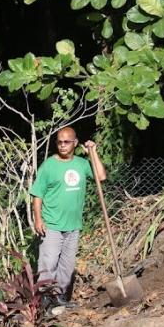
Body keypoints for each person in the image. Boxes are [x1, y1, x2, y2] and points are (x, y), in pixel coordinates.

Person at [30, 126, 106, 311]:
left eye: (66, 142)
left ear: (75, 143)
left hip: (73, 225)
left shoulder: (81, 163)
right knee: (48, 263)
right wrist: (38, 219)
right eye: (59, 142)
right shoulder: (49, 165)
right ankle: (44, 300)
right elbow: (37, 195)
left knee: (67, 265)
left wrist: (92, 152)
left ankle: (60, 298)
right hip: (52, 224)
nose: (62, 145)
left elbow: (101, 176)